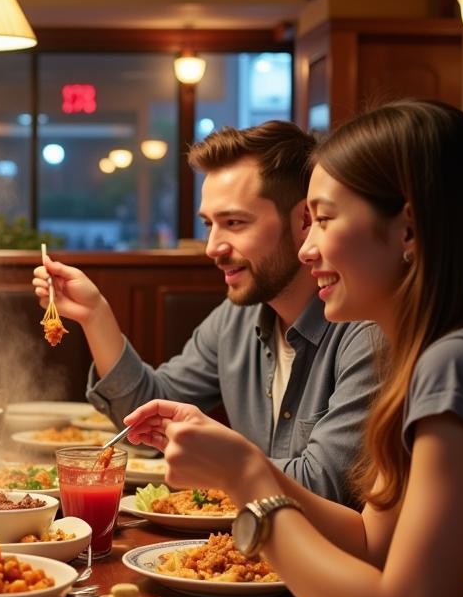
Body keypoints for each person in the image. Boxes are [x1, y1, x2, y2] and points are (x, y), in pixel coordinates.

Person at [125, 100, 463, 597]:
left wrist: (249, 484)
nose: (308, 250)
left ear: (407, 228)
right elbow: (372, 542)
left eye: (326, 219)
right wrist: (249, 472)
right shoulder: (436, 350)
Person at [33, 121, 379, 505]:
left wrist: (224, 460)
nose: (212, 246)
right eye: (208, 225)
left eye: (234, 223)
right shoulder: (237, 318)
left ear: (304, 221)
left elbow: (324, 485)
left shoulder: (366, 330)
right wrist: (95, 315)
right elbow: (148, 415)